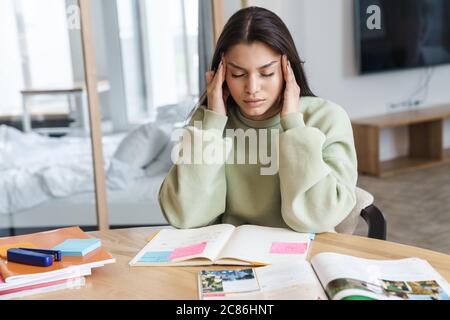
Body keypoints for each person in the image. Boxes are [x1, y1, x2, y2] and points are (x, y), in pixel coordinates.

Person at [158, 6, 358, 233]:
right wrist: (213, 124)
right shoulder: (207, 123)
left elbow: (318, 218)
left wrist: (293, 124)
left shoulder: (326, 118)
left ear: (287, 69)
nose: (252, 88)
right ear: (221, 75)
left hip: (302, 257)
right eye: (238, 74)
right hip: (229, 259)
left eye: (266, 73)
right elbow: (185, 216)